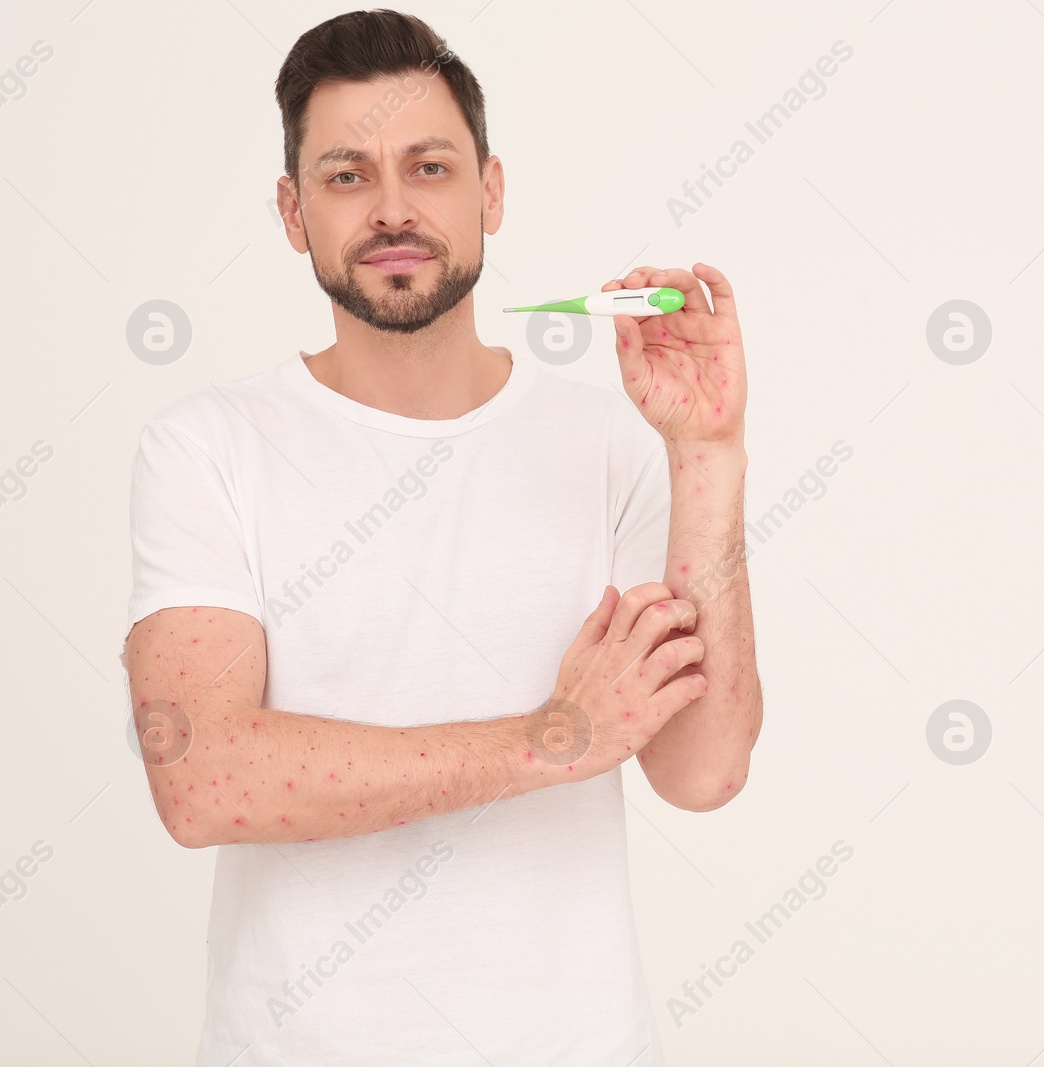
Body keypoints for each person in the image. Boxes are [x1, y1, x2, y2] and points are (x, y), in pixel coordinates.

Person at [121, 9, 761, 1065]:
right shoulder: (206, 448)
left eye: (428, 165)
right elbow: (201, 780)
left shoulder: (606, 442)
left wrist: (709, 453)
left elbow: (703, 770)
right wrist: (549, 736)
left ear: (490, 192)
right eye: (344, 176)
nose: (391, 209)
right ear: (292, 212)